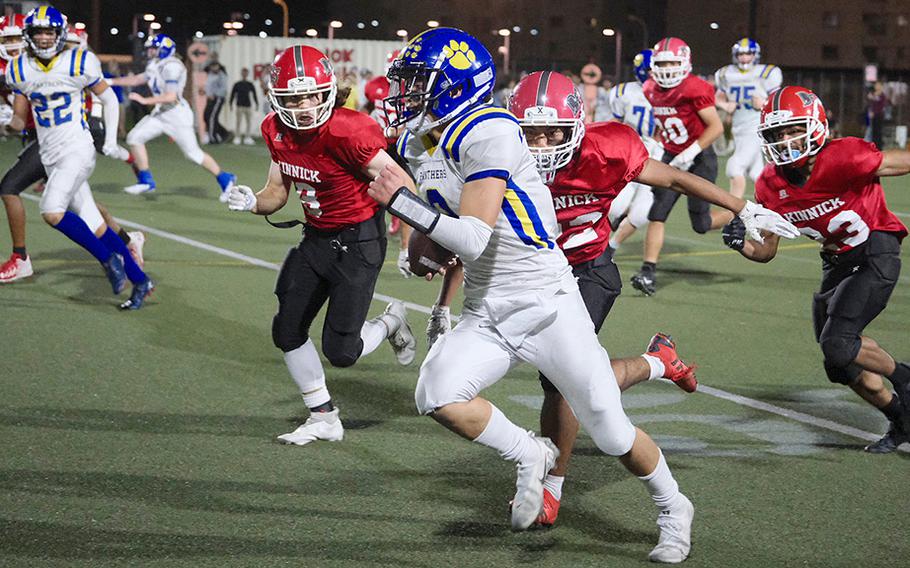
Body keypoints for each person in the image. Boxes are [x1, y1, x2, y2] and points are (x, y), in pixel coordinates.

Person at [373, 27, 695, 563]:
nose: (405, 93)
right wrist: (424, 256)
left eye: (417, 82)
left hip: (546, 302)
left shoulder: (489, 128)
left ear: (453, 85)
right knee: (436, 392)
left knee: (610, 429)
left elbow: (474, 235)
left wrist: (403, 205)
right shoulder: (419, 139)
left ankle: (673, 506)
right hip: (488, 304)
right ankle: (530, 452)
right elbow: (451, 232)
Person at [224, 45, 417, 446]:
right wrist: (251, 202)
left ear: (329, 90)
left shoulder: (349, 130)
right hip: (315, 238)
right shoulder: (275, 129)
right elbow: (276, 193)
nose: (306, 106)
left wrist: (411, 244)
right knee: (287, 330)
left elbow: (404, 187)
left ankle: (391, 320)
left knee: (342, 352)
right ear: (278, 98)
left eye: (313, 95)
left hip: (358, 241)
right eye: (295, 97)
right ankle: (323, 416)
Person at [722, 85, 910, 453]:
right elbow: (766, 252)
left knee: (839, 344)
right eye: (778, 134)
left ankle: (905, 378)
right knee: (839, 366)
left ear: (816, 124)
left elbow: (901, 160)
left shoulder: (845, 156)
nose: (786, 140)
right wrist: (740, 242)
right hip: (837, 264)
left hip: (875, 251)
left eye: (793, 129)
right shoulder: (770, 184)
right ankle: (901, 420)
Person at [3, 6, 152, 309]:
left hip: (77, 148)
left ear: (59, 35)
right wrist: (5, 122)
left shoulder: (78, 61)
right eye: (38, 32)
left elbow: (109, 98)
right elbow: (19, 121)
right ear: (29, 36)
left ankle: (109, 259)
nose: (44, 38)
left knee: (51, 211)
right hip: (49, 152)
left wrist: (110, 140)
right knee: (95, 223)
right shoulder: (19, 69)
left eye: (49, 32)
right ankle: (140, 280)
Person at [630, 37, 732, 296]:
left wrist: (691, 152)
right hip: (671, 154)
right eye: (663, 63)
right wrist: (657, 142)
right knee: (657, 212)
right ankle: (648, 271)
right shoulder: (650, 88)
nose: (668, 68)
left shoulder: (695, 88)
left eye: (673, 62)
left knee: (700, 224)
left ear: (685, 62)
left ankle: (737, 215)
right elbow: (664, 120)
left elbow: (716, 126)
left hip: (699, 157)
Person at [108, 35, 235, 199]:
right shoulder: (155, 64)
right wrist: (109, 82)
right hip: (161, 114)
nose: (149, 52)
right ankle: (146, 181)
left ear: (164, 50)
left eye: (153, 48)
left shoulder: (172, 66)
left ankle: (225, 179)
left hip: (176, 115)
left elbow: (171, 96)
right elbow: (138, 79)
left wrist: (145, 100)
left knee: (194, 155)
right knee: (134, 138)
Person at [605, 49, 661, 253]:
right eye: (652, 69)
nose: (657, 73)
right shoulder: (624, 92)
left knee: (643, 212)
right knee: (615, 207)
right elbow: (615, 123)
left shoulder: (671, 92)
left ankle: (612, 246)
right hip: (631, 152)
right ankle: (600, 242)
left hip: (660, 155)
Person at [714, 38, 782, 199]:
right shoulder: (726, 74)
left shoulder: (766, 73)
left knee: (735, 166)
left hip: (756, 127)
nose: (744, 58)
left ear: (755, 55)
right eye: (741, 54)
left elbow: (777, 100)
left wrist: (764, 103)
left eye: (748, 54)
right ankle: (780, 204)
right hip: (738, 128)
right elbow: (717, 98)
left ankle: (735, 214)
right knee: (757, 174)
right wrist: (725, 106)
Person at [229, 67, 258, 145]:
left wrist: (256, 103)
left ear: (247, 74)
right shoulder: (237, 84)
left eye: (246, 73)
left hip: (248, 105)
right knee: (238, 122)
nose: (244, 74)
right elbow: (232, 94)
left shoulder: (250, 84)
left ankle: (247, 137)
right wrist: (230, 104)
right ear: (241, 74)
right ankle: (237, 137)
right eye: (243, 72)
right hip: (239, 105)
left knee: (249, 122)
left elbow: (254, 94)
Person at [204, 61, 229, 144]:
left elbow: (223, 88)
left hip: (217, 98)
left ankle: (213, 138)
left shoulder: (222, 75)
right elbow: (203, 68)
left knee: (212, 117)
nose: (213, 68)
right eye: (212, 66)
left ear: (219, 66)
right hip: (210, 99)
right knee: (206, 116)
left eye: (215, 66)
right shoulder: (210, 74)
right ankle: (224, 133)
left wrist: (214, 94)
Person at [866, 81, 889, 150]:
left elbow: (881, 107)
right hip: (872, 116)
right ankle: (873, 146)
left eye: (879, 85)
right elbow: (871, 104)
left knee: (879, 131)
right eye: (876, 85)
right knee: (873, 132)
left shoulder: (882, 95)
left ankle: (879, 147)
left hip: (879, 115)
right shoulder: (873, 94)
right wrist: (870, 112)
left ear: (881, 87)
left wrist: (874, 112)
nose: (877, 87)